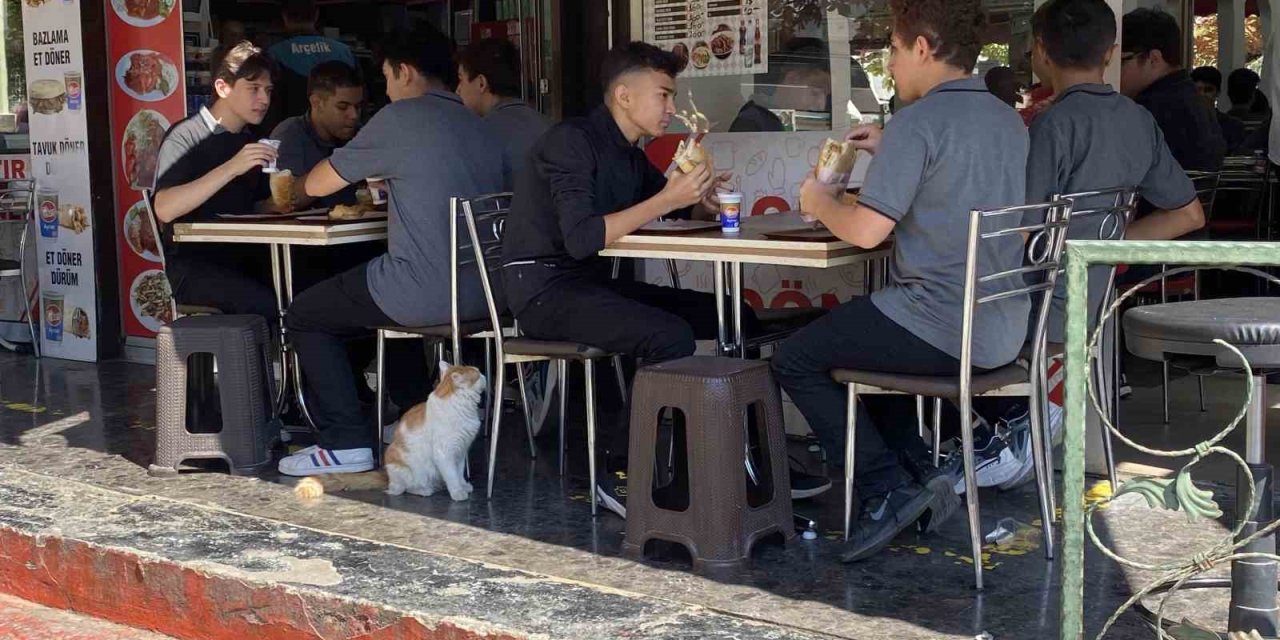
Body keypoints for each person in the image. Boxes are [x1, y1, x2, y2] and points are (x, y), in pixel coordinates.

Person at [776, 0, 1029, 562]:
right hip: (1003, 326)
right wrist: (894, 151)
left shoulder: (918, 122)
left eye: (891, 48)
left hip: (940, 324)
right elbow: (960, 180)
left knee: (795, 358)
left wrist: (820, 200)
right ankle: (921, 474)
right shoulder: (1005, 118)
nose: (888, 64)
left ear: (922, 47)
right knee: (868, 338)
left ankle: (885, 488)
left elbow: (866, 232)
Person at [500, 42, 777, 518]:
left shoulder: (627, 151)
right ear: (624, 95)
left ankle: (748, 462)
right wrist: (669, 200)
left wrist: (696, 201)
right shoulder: (571, 142)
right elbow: (584, 238)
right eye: (664, 96)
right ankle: (626, 472)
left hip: (589, 285)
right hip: (543, 290)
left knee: (736, 315)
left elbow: (658, 203)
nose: (672, 108)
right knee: (668, 335)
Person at [957, 0, 1208, 492]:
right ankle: (1015, 431)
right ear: (1112, 53)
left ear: (1040, 52)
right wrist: (1101, 246)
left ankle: (984, 446)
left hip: (1038, 311)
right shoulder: (1138, 121)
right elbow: (1189, 213)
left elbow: (1025, 231)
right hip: (1092, 306)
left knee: (926, 319)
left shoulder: (1051, 125)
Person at [276, 28, 505, 476]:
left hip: (427, 292)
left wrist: (293, 190)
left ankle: (345, 441)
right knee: (369, 290)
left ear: (404, 71)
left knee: (305, 312)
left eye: (385, 77)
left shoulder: (401, 118)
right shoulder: (479, 124)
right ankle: (408, 416)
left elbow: (322, 182)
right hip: (489, 294)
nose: (386, 89)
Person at [152, 42, 281, 324]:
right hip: (195, 266)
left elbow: (257, 208)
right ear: (223, 87)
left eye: (268, 90)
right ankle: (261, 367)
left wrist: (287, 196)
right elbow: (164, 208)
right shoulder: (186, 136)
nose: (264, 99)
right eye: (253, 89)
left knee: (307, 292)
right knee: (267, 304)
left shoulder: (251, 139)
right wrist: (232, 168)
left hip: (245, 258)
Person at [1120, 8, 1226, 172]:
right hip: (1198, 197)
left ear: (1153, 59)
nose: (1113, 71)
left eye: (1122, 61)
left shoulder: (1149, 109)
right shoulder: (1196, 100)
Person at [455, 37, 552, 189]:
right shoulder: (549, 126)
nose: (458, 89)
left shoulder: (479, 134)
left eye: (461, 79)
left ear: (481, 83)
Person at [270, 61, 365, 209]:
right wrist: (343, 161)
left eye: (358, 107)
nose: (353, 115)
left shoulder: (362, 135)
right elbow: (285, 201)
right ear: (316, 102)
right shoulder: (289, 135)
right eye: (343, 107)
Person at [266, 0, 355, 123]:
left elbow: (271, 104)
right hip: (338, 128)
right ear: (316, 16)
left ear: (284, 17)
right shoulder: (343, 51)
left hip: (290, 127)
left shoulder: (274, 53)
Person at [1191, 65, 1246, 152]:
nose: (1202, 94)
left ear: (1217, 92)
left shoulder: (1233, 125)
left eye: (1208, 90)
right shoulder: (1184, 123)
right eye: (1197, 90)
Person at [380, 29, 444, 103]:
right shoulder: (458, 110)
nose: (387, 91)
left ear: (405, 73)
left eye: (387, 76)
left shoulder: (392, 113)